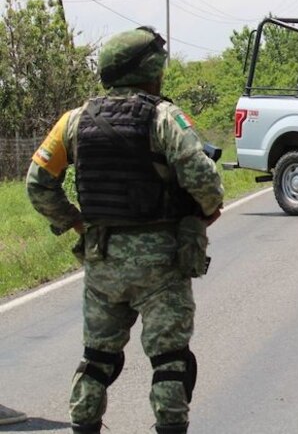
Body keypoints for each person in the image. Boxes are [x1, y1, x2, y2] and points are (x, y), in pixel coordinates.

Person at [26, 27, 224, 434]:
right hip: (162, 261)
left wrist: (75, 220)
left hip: (102, 261)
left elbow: (37, 183)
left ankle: (83, 425)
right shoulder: (164, 117)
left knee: (97, 357)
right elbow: (204, 179)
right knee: (170, 360)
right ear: (152, 70)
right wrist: (205, 212)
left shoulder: (74, 121)